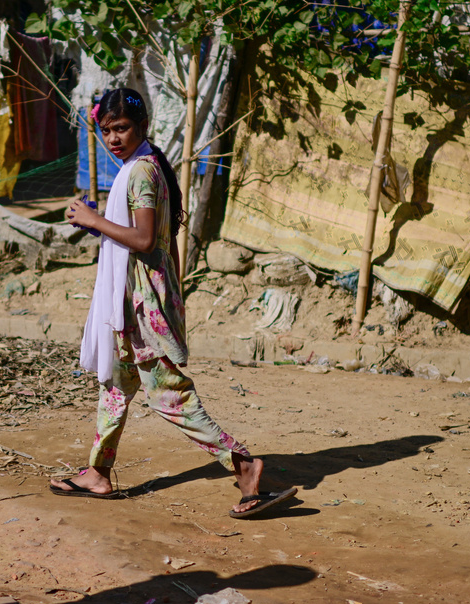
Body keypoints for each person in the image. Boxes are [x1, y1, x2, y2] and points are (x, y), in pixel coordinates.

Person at [50, 88, 296, 518]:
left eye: (121, 128)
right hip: (130, 300)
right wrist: (99, 227)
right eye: (106, 130)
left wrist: (93, 219)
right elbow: (140, 238)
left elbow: (144, 240)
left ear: (141, 127)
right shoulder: (141, 166)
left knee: (169, 396)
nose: (112, 138)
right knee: (115, 388)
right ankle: (98, 472)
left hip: (143, 306)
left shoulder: (142, 172)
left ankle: (243, 465)